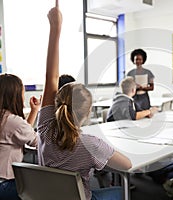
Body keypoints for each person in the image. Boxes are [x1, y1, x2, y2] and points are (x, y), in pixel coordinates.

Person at [37, 2, 132, 200]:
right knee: (122, 192)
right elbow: (127, 165)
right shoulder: (91, 144)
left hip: (46, 196)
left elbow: (50, 78)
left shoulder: (45, 127)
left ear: (58, 103)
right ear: (88, 114)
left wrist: (55, 28)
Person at [0, 74, 40, 200]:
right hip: (5, 185)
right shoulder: (13, 121)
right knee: (46, 187)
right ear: (15, 96)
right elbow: (38, 142)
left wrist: (34, 110)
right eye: (23, 92)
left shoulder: (4, 117)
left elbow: (21, 133)